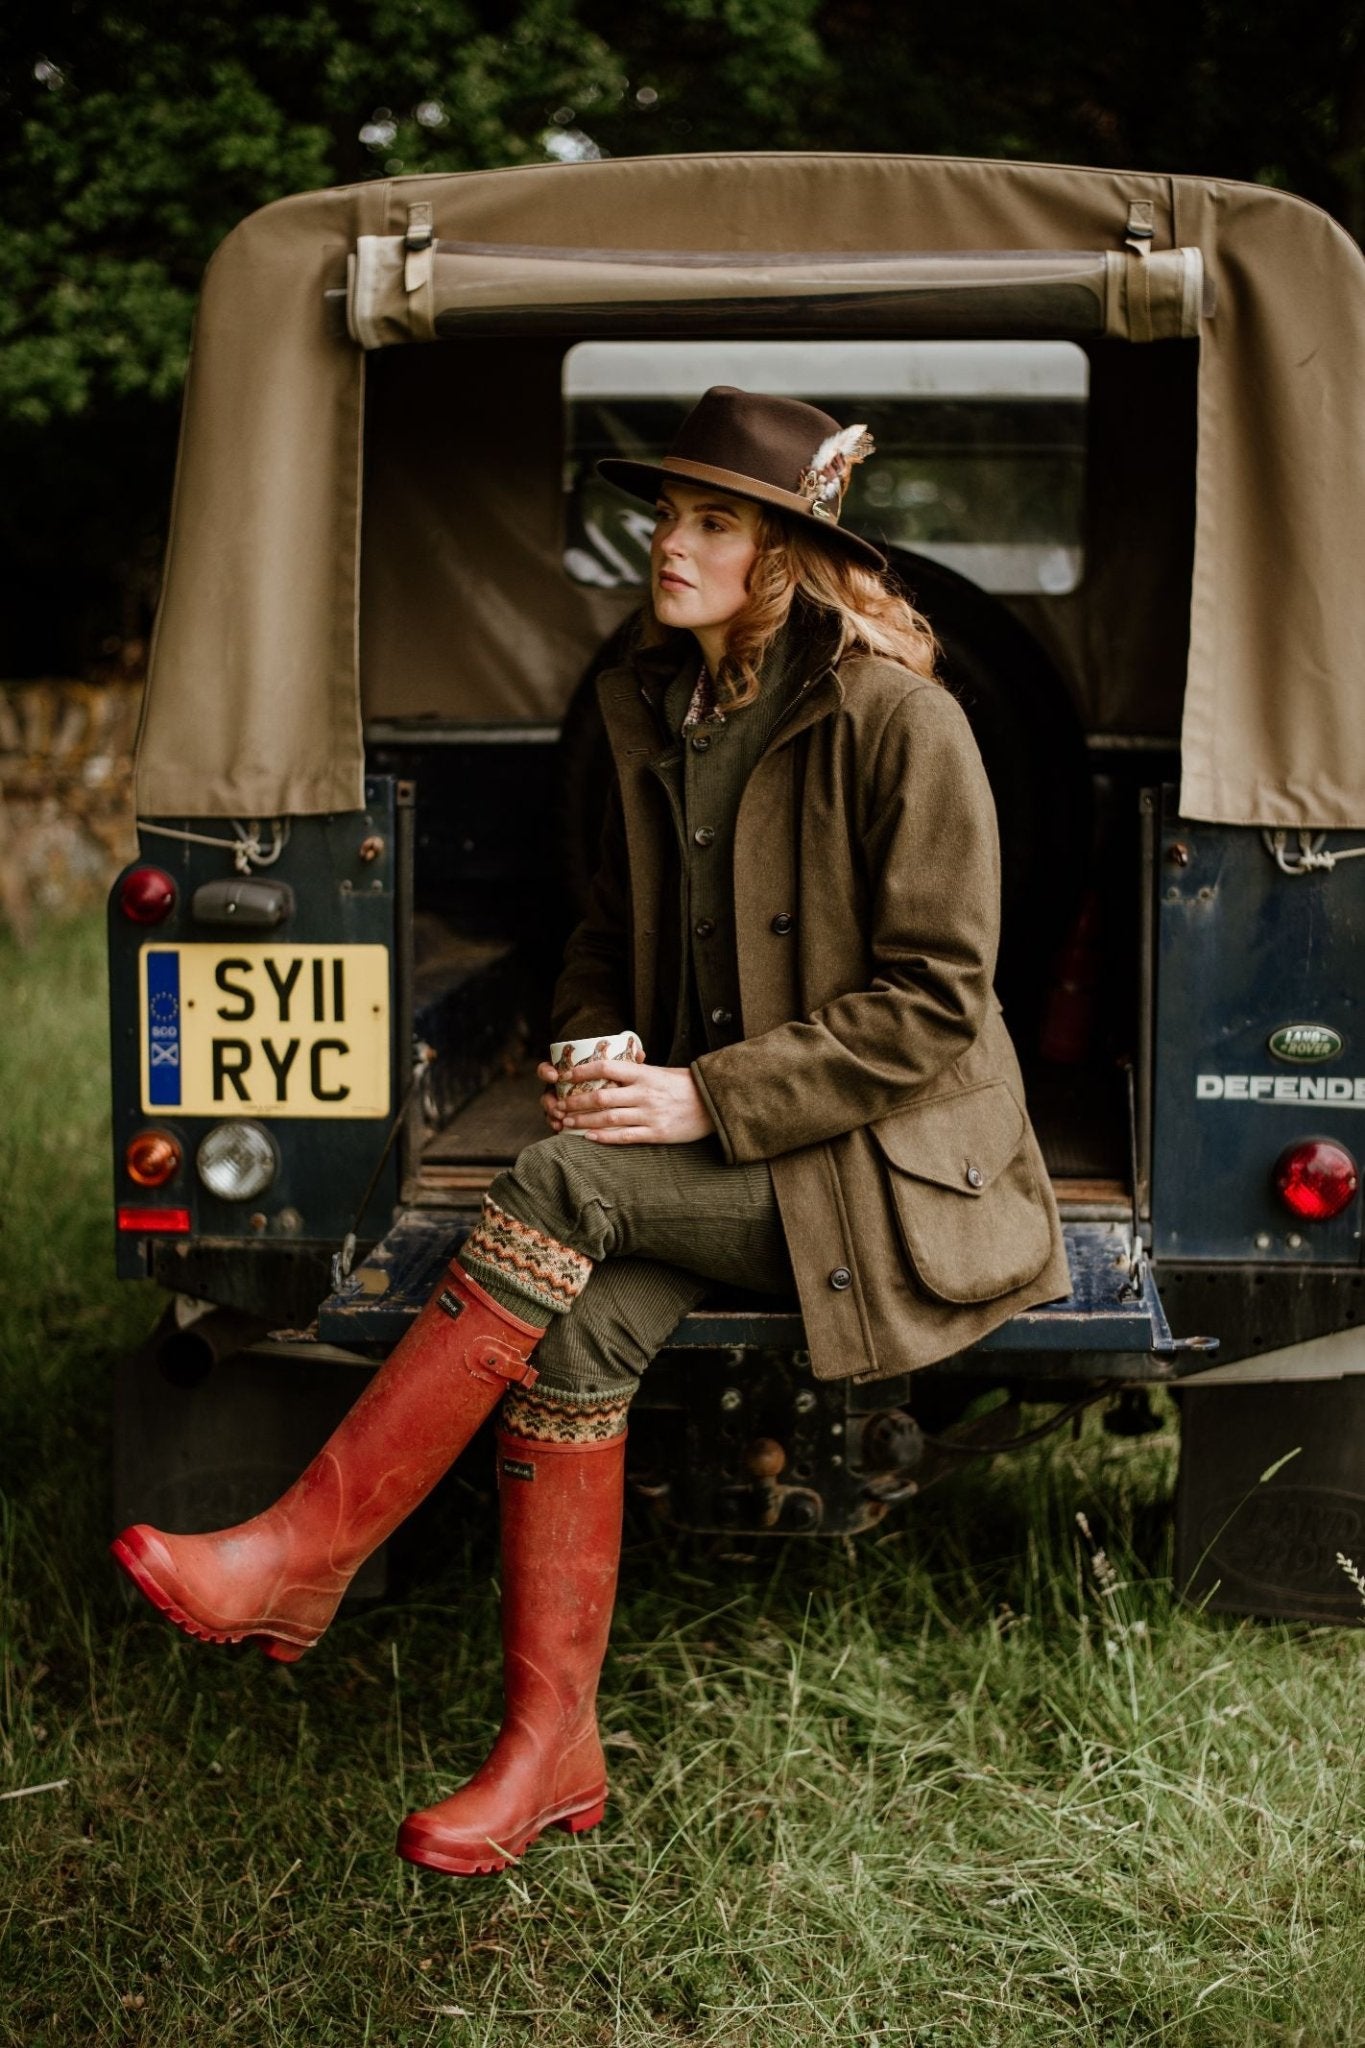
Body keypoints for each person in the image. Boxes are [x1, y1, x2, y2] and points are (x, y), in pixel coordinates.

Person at [111, 386, 1069, 1878]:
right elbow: (608, 934)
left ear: (783, 556)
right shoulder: (650, 703)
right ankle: (547, 1756)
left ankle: (306, 1553)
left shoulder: (901, 718)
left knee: (562, 1184)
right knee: (573, 1335)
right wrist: (595, 1041)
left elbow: (938, 1003)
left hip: (881, 1169)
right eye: (664, 517)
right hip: (740, 1152)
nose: (665, 548)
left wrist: (699, 1097)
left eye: (709, 523)